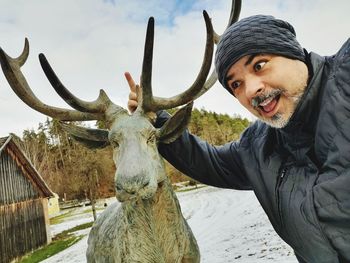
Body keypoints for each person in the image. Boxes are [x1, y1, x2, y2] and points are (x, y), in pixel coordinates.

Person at [126, 15, 350, 263]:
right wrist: (158, 119)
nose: (251, 89)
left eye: (259, 65)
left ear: (292, 51)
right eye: (236, 84)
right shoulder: (258, 148)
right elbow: (205, 161)